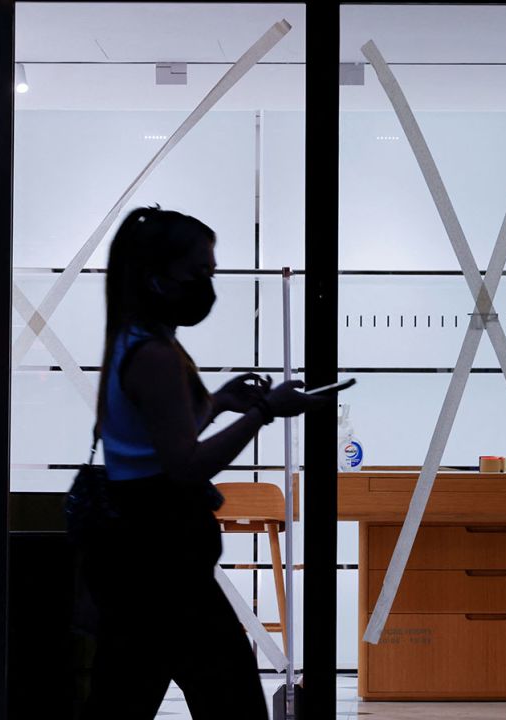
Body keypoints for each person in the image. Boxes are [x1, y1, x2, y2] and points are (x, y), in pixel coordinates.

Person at [80, 206, 325, 719]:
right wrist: (263, 411)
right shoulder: (156, 356)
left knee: (121, 697)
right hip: (166, 567)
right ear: (156, 275)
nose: (207, 286)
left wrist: (216, 404)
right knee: (229, 700)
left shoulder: (133, 343)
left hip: (140, 563)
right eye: (199, 273)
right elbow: (185, 466)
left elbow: (159, 441)